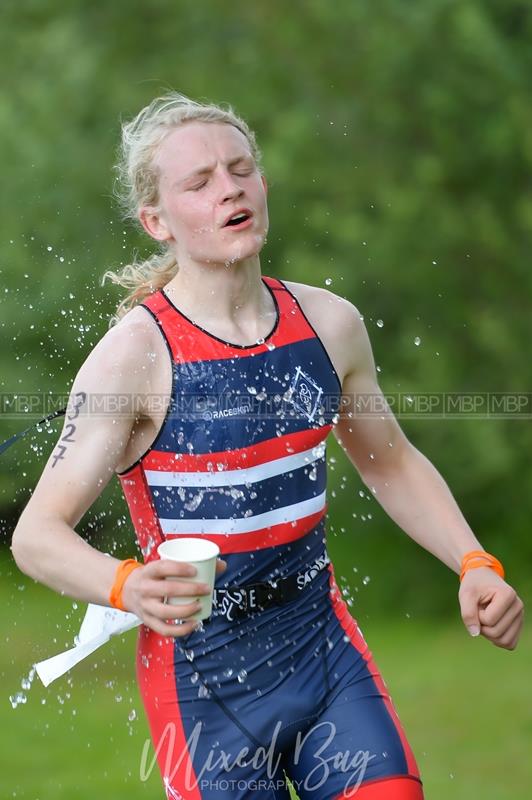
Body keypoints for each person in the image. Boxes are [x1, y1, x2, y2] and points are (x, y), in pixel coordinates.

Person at [11, 92, 524, 800]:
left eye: (240, 168)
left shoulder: (328, 325)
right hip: (204, 683)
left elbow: (392, 462)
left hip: (322, 650)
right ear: (156, 221)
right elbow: (36, 536)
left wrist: (472, 561)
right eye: (199, 182)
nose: (229, 188)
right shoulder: (133, 357)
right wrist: (123, 584)